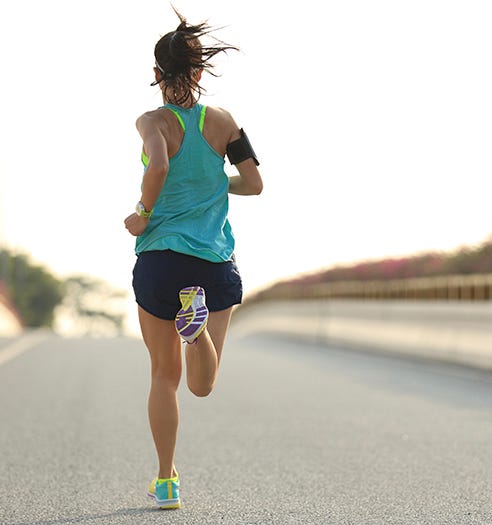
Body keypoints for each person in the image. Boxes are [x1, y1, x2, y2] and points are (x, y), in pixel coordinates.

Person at [124, 10, 262, 510]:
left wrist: (143, 212)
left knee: (165, 377)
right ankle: (197, 329)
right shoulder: (224, 122)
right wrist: (213, 183)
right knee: (203, 384)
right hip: (212, 264)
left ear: (156, 74)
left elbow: (158, 163)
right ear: (201, 73)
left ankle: (166, 480)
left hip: (161, 260)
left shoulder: (151, 121)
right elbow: (254, 183)